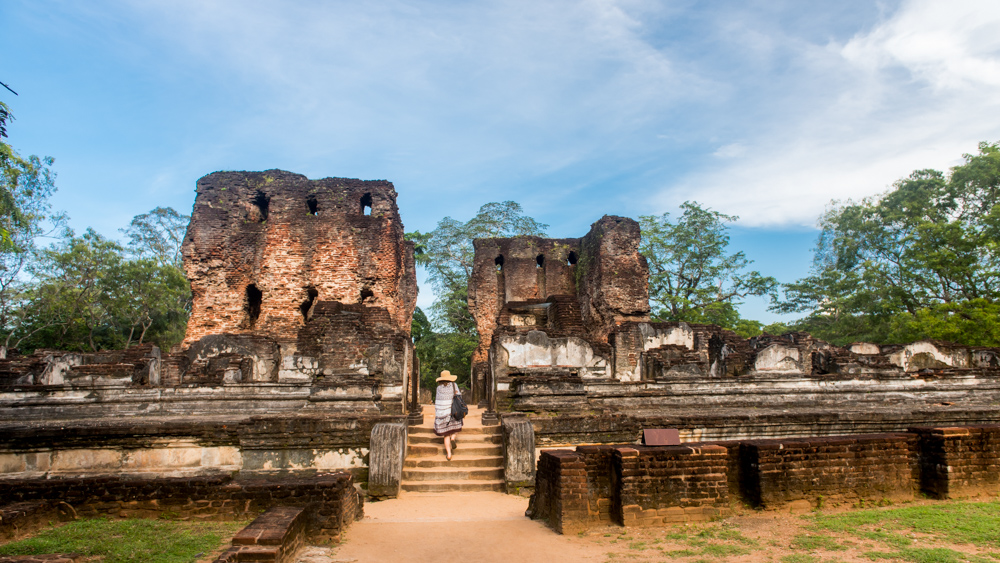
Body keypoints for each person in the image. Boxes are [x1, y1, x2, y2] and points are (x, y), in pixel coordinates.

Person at [434, 370, 463, 461]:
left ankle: (449, 454)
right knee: (457, 425)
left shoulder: (438, 388)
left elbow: (437, 400)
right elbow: (459, 396)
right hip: (452, 412)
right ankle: (453, 438)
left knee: (446, 435)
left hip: (442, 413)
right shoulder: (454, 385)